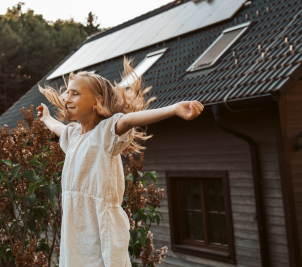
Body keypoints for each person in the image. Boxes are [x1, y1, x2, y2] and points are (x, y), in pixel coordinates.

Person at [36, 58, 203, 267]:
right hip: (75, 232)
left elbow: (129, 120)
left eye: (75, 93)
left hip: (101, 229)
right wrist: (46, 119)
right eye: (67, 92)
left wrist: (173, 109)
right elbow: (57, 128)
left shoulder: (105, 133)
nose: (67, 97)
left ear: (96, 102)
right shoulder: (74, 136)